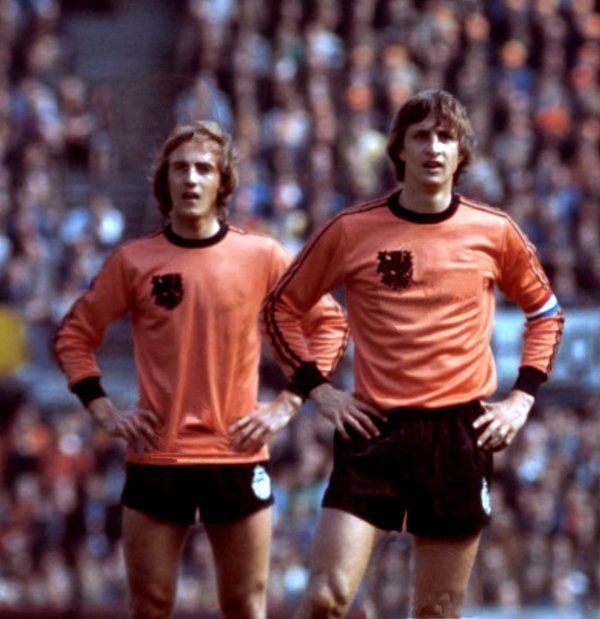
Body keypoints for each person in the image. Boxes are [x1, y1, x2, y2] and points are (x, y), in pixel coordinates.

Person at [262, 90, 565, 618]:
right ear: (400, 148)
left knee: (436, 610)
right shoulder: (351, 230)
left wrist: (521, 399)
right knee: (325, 599)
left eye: (446, 137)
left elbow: (546, 314)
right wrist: (319, 391)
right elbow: (280, 308)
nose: (434, 147)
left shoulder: (494, 231)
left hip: (458, 433)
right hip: (373, 429)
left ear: (461, 152)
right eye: (421, 136)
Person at [54, 120, 348, 619]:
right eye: (180, 168)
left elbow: (331, 323)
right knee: (150, 606)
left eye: (203, 169)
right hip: (158, 456)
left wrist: (289, 402)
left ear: (222, 182)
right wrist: (103, 410)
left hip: (236, 454)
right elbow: (74, 335)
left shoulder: (261, 256)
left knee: (244, 605)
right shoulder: (134, 261)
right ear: (165, 180)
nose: (191, 178)